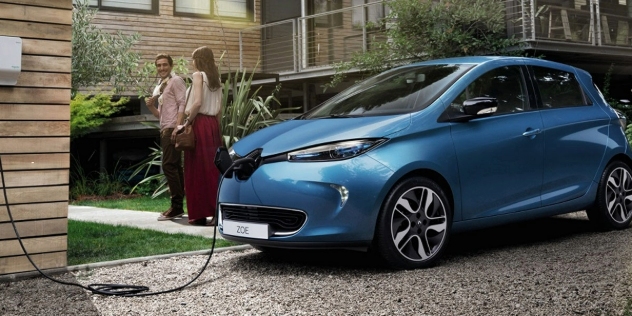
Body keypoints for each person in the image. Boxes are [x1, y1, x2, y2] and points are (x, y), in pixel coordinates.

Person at [181, 46, 223, 226]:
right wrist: (217, 129)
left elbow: (197, 102)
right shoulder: (216, 79)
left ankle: (199, 214)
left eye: (193, 58)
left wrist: (187, 122)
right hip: (212, 125)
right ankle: (216, 212)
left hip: (199, 124)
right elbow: (219, 109)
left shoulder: (198, 76)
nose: (192, 63)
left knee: (196, 170)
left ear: (199, 60)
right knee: (211, 169)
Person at [145, 54, 187, 221]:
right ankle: (178, 206)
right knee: (175, 166)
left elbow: (182, 103)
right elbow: (161, 115)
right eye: (158, 65)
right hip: (166, 128)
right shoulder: (161, 85)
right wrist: (150, 107)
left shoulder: (176, 81)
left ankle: (176, 206)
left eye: (164, 65)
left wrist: (178, 127)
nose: (161, 68)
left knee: (168, 165)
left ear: (171, 65)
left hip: (172, 129)